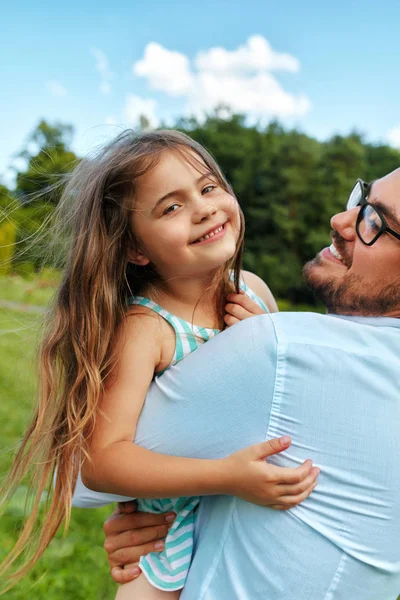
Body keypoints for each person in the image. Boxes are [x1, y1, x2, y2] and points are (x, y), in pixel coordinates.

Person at [0, 130, 319, 599]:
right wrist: (227, 477)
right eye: (171, 207)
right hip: (167, 545)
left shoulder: (253, 291)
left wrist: (262, 334)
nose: (204, 207)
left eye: (209, 187)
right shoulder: (146, 329)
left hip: (254, 524)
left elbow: (279, 399)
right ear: (135, 249)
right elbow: (102, 462)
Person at [82, 171, 400, 598]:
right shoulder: (191, 322)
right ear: (136, 247)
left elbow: (75, 485)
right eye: (360, 199)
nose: (340, 219)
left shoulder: (272, 341)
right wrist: (215, 481)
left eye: (374, 221)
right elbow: (99, 464)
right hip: (172, 533)